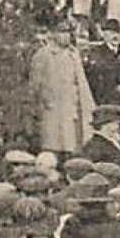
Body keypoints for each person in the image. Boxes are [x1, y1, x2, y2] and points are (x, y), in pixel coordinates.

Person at [30, 28, 96, 157]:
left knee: (73, 146)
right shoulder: (43, 55)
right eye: (61, 32)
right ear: (53, 34)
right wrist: (44, 103)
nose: (65, 36)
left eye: (68, 33)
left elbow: (81, 82)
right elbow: (35, 85)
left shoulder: (73, 54)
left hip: (73, 107)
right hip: (54, 110)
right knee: (54, 146)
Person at [84, 19, 120, 110]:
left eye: (117, 32)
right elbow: (97, 76)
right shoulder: (97, 52)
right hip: (105, 101)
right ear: (104, 35)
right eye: (111, 32)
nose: (115, 36)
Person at [79, 105, 120, 169]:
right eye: (116, 123)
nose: (118, 127)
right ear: (106, 124)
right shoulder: (96, 146)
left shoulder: (105, 143)